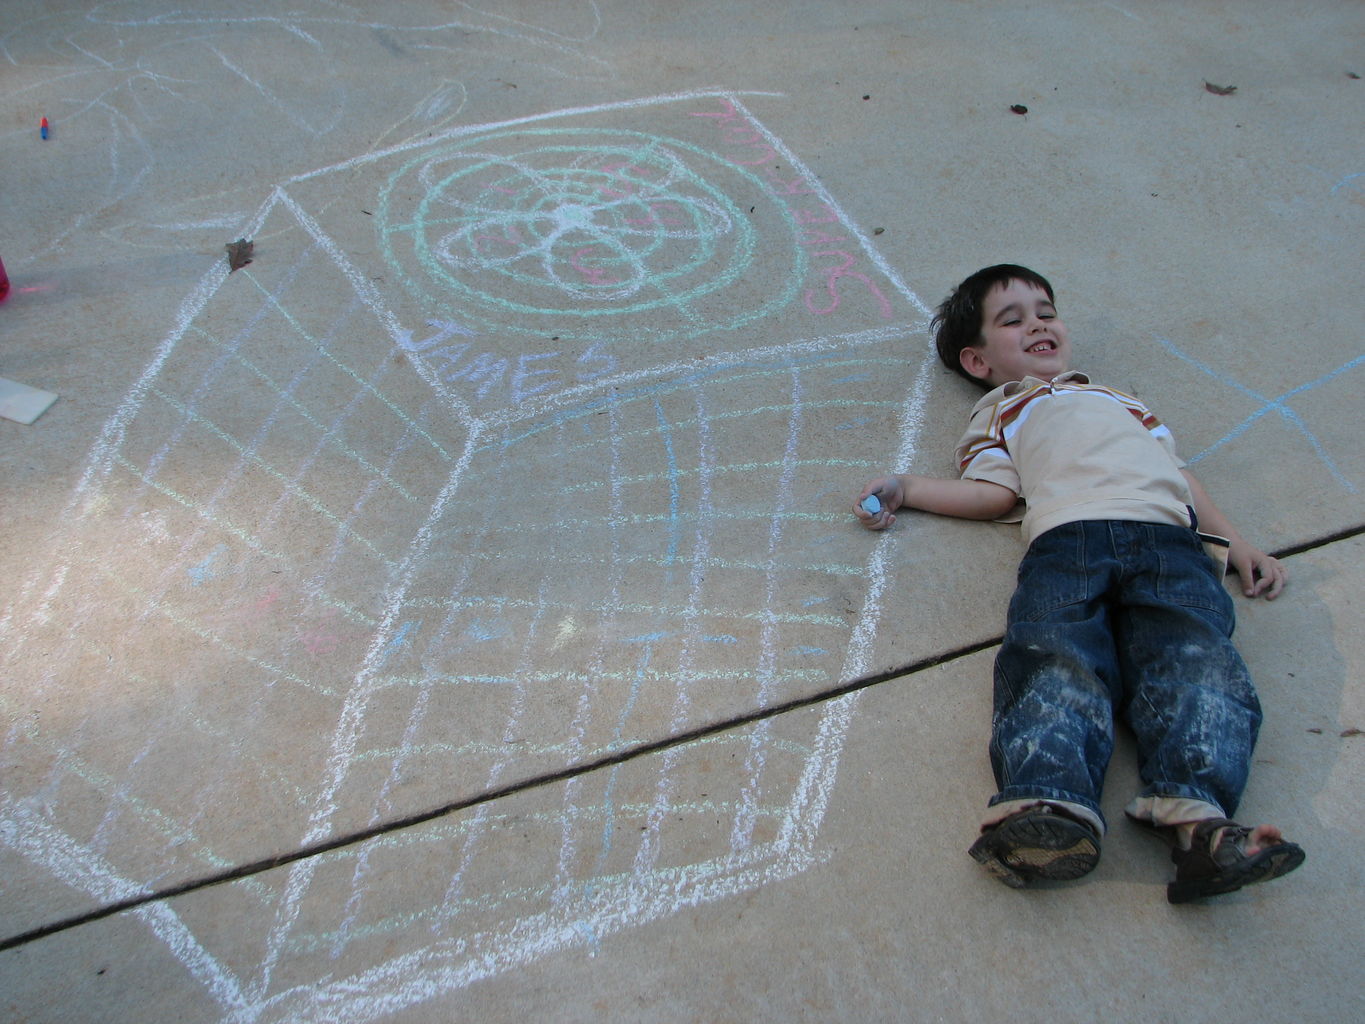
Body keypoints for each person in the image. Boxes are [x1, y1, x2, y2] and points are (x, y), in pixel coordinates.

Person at [854, 264, 1304, 903]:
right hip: (1068, 541)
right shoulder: (1000, 409)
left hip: (1172, 546)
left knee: (1199, 662)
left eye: (1045, 310)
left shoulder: (1123, 400)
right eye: (1012, 320)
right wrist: (908, 488)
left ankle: (1200, 820)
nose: (1037, 322)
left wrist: (1234, 543)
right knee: (1054, 656)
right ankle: (1047, 800)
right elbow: (993, 492)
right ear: (977, 361)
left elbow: (1178, 477)